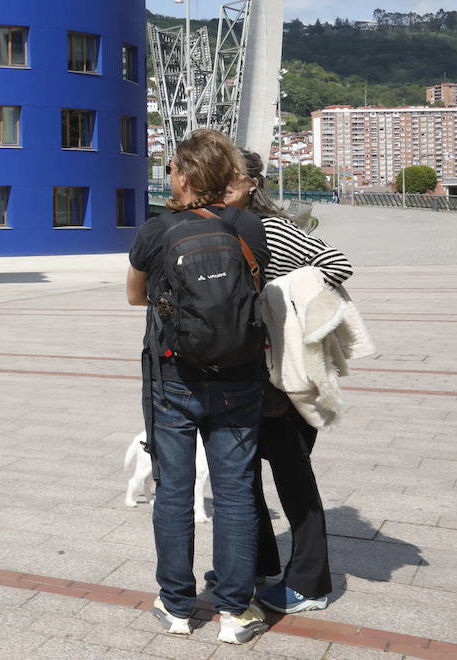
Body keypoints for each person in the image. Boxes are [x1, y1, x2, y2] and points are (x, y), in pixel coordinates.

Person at [126, 129, 271, 644]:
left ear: (184, 176)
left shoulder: (157, 229)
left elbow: (134, 296)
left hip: (174, 379)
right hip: (240, 379)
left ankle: (177, 606)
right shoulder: (249, 227)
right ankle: (235, 613)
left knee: (175, 490)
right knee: (235, 493)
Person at [226, 149, 350, 614]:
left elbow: (336, 263)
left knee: (293, 474)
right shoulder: (228, 225)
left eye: (230, 177)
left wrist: (282, 299)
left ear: (252, 182)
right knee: (244, 471)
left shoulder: (273, 228)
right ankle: (255, 562)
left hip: (288, 374)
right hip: (252, 375)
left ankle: (310, 583)